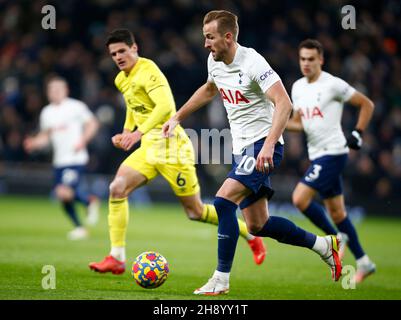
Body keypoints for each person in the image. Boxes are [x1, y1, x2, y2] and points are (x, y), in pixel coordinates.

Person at [162, 10, 343, 296]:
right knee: (258, 224)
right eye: (205, 38)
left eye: (210, 38)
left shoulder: (253, 62)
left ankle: (221, 279)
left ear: (228, 37)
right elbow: (210, 89)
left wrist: (269, 145)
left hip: (263, 146)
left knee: (222, 202)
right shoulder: (215, 61)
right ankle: (324, 246)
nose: (206, 44)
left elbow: (283, 104)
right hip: (242, 149)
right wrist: (177, 117)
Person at [88, 29, 266, 275]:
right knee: (116, 188)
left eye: (122, 51)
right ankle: (116, 258)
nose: (118, 57)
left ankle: (249, 234)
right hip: (149, 148)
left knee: (195, 212)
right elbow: (134, 105)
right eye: (113, 54)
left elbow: (165, 108)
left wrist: (136, 134)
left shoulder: (148, 71)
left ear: (134, 48)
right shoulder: (121, 78)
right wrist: (127, 130)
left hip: (173, 149)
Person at [287, 39, 376, 284]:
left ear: (321, 60)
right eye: (302, 59)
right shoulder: (297, 87)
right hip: (317, 154)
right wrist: (277, 123)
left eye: (311, 59)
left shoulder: (333, 85)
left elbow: (366, 104)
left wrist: (358, 131)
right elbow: (299, 123)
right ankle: (364, 262)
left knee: (299, 198)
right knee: (337, 212)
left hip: (334, 152)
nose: (306, 63)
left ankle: (335, 238)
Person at [24, 76, 100, 240]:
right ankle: (81, 225)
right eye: (51, 90)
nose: (54, 92)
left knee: (63, 192)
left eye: (58, 89)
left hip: (75, 158)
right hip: (59, 161)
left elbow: (93, 123)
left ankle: (89, 202)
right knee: (64, 196)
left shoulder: (75, 107)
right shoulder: (47, 112)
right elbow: (46, 136)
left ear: (66, 90)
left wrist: (83, 140)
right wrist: (34, 143)